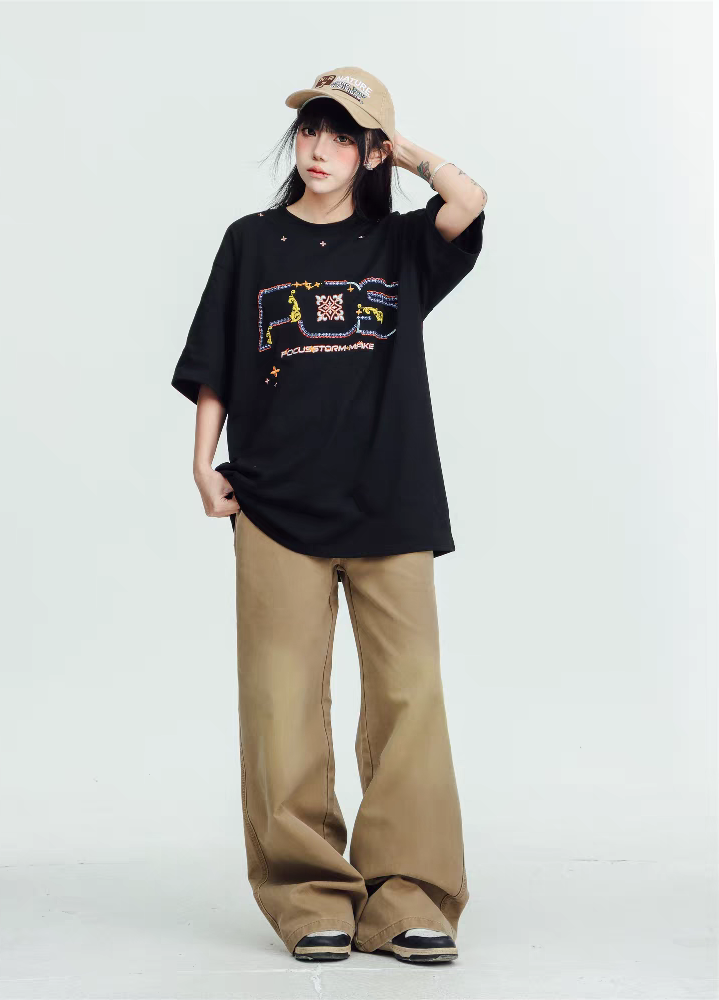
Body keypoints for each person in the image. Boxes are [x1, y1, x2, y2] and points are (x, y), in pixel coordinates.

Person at [171, 66, 487, 965]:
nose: (321, 149)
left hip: (391, 497)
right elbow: (217, 360)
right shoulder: (252, 241)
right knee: (281, 702)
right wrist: (202, 462)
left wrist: (406, 151)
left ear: (371, 152)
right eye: (313, 130)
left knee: (409, 695)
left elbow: (469, 200)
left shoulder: (402, 244)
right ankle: (309, 894)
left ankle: (410, 894)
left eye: (345, 136)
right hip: (275, 501)